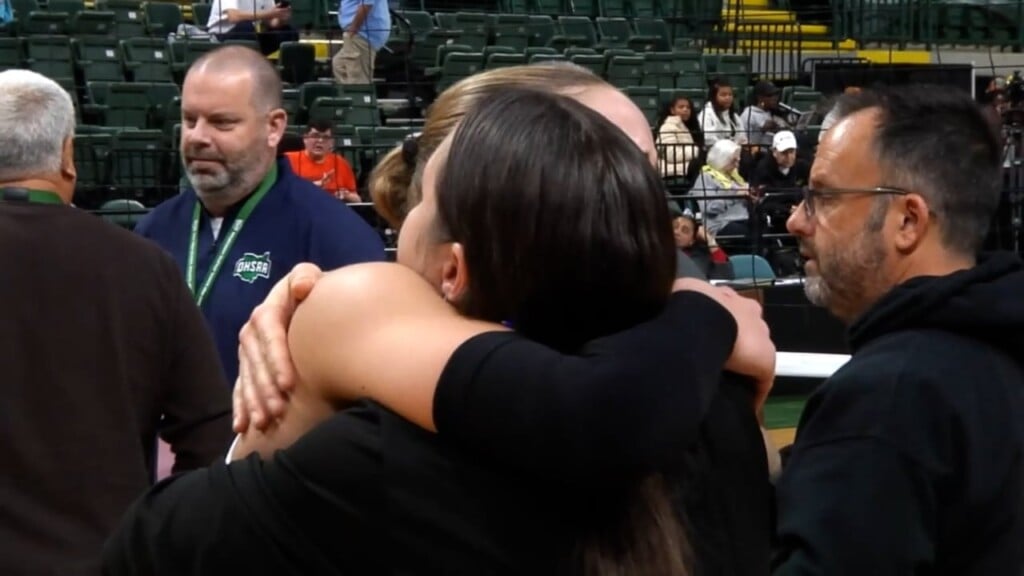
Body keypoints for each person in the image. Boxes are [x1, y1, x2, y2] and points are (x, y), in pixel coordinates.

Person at [106, 74, 775, 575]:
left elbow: (152, 544)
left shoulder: (381, 460)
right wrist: (704, 308)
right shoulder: (714, 413)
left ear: (453, 268)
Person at [774, 85, 1024, 573]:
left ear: (908, 220)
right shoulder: (999, 355)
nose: (796, 221)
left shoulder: (889, 398)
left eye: (822, 197)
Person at [0, 70, 233, 575]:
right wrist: (161, 540)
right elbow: (211, 434)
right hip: (106, 558)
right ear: (68, 156)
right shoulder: (145, 266)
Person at [134, 45, 385, 386]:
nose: (197, 137)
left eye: (222, 123)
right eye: (190, 120)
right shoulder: (152, 232)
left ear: (274, 127)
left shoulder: (337, 238)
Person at [284, 120, 360, 202]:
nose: (320, 140)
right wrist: (312, 187)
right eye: (315, 136)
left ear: (332, 142)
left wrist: (346, 195)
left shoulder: (341, 163)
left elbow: (357, 200)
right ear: (305, 138)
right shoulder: (286, 160)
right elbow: (280, 194)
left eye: (326, 137)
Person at [205, 0, 297, 56]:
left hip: (249, 35)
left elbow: (271, 23)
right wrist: (270, 14)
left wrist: (281, 17)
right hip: (222, 36)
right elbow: (233, 17)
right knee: (245, 26)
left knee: (289, 31)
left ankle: (288, 73)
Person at [333, 0, 390, 84]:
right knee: (339, 65)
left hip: (363, 34)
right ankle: (349, 91)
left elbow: (366, 4)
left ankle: (357, 91)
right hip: (359, 34)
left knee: (357, 77)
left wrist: (352, 30)